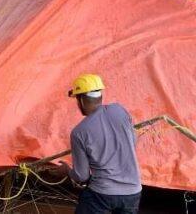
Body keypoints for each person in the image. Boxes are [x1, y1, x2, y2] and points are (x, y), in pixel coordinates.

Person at [55, 74, 142, 214]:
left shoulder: (79, 132)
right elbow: (133, 140)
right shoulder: (120, 110)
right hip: (133, 192)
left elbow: (81, 176)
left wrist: (67, 172)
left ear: (81, 100)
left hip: (102, 194)